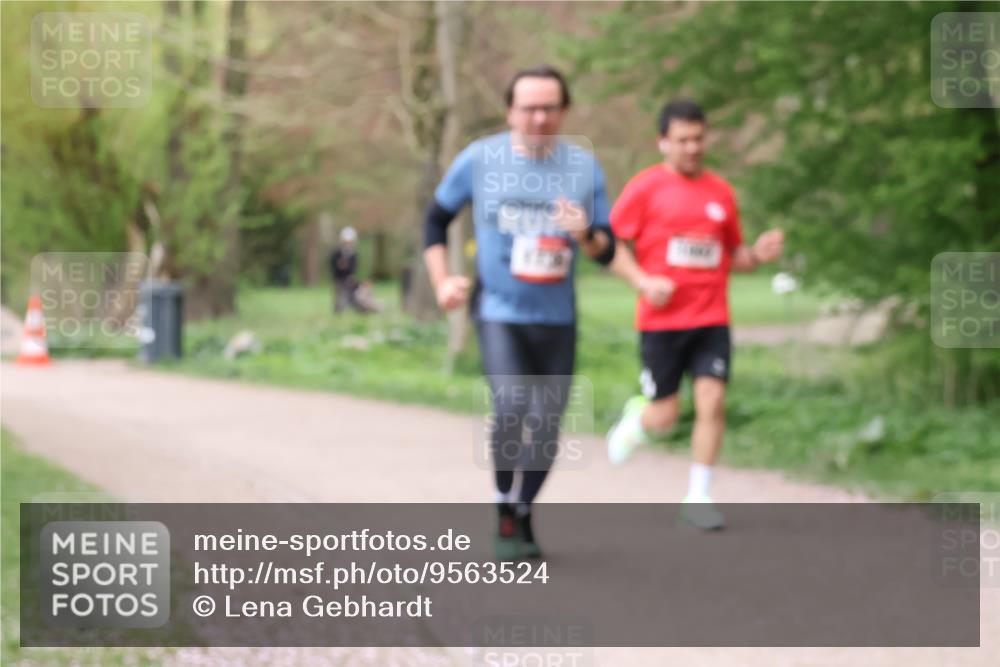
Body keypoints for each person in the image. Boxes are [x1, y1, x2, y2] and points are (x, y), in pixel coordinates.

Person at [423, 65, 615, 558]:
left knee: (549, 426)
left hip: (556, 318)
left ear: (564, 111)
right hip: (499, 310)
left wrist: (583, 234)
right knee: (511, 407)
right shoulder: (480, 159)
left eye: (549, 107)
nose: (539, 117)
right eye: (528, 107)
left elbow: (607, 250)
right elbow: (436, 219)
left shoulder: (583, 168)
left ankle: (520, 510)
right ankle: (503, 506)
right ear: (510, 111)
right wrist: (443, 281)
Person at [605, 100, 784, 530]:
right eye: (682, 139)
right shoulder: (645, 189)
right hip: (661, 322)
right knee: (666, 416)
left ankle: (698, 495)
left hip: (710, 319)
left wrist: (757, 255)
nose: (691, 147)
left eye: (698, 138)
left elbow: (731, 257)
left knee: (713, 400)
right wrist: (644, 282)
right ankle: (640, 418)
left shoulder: (720, 193)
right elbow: (610, 246)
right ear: (663, 142)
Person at [329, 227, 368, 314]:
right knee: (339, 298)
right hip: (338, 280)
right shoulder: (337, 253)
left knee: (353, 295)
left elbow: (353, 269)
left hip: (349, 280)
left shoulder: (354, 255)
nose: (348, 244)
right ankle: (340, 309)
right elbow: (333, 266)